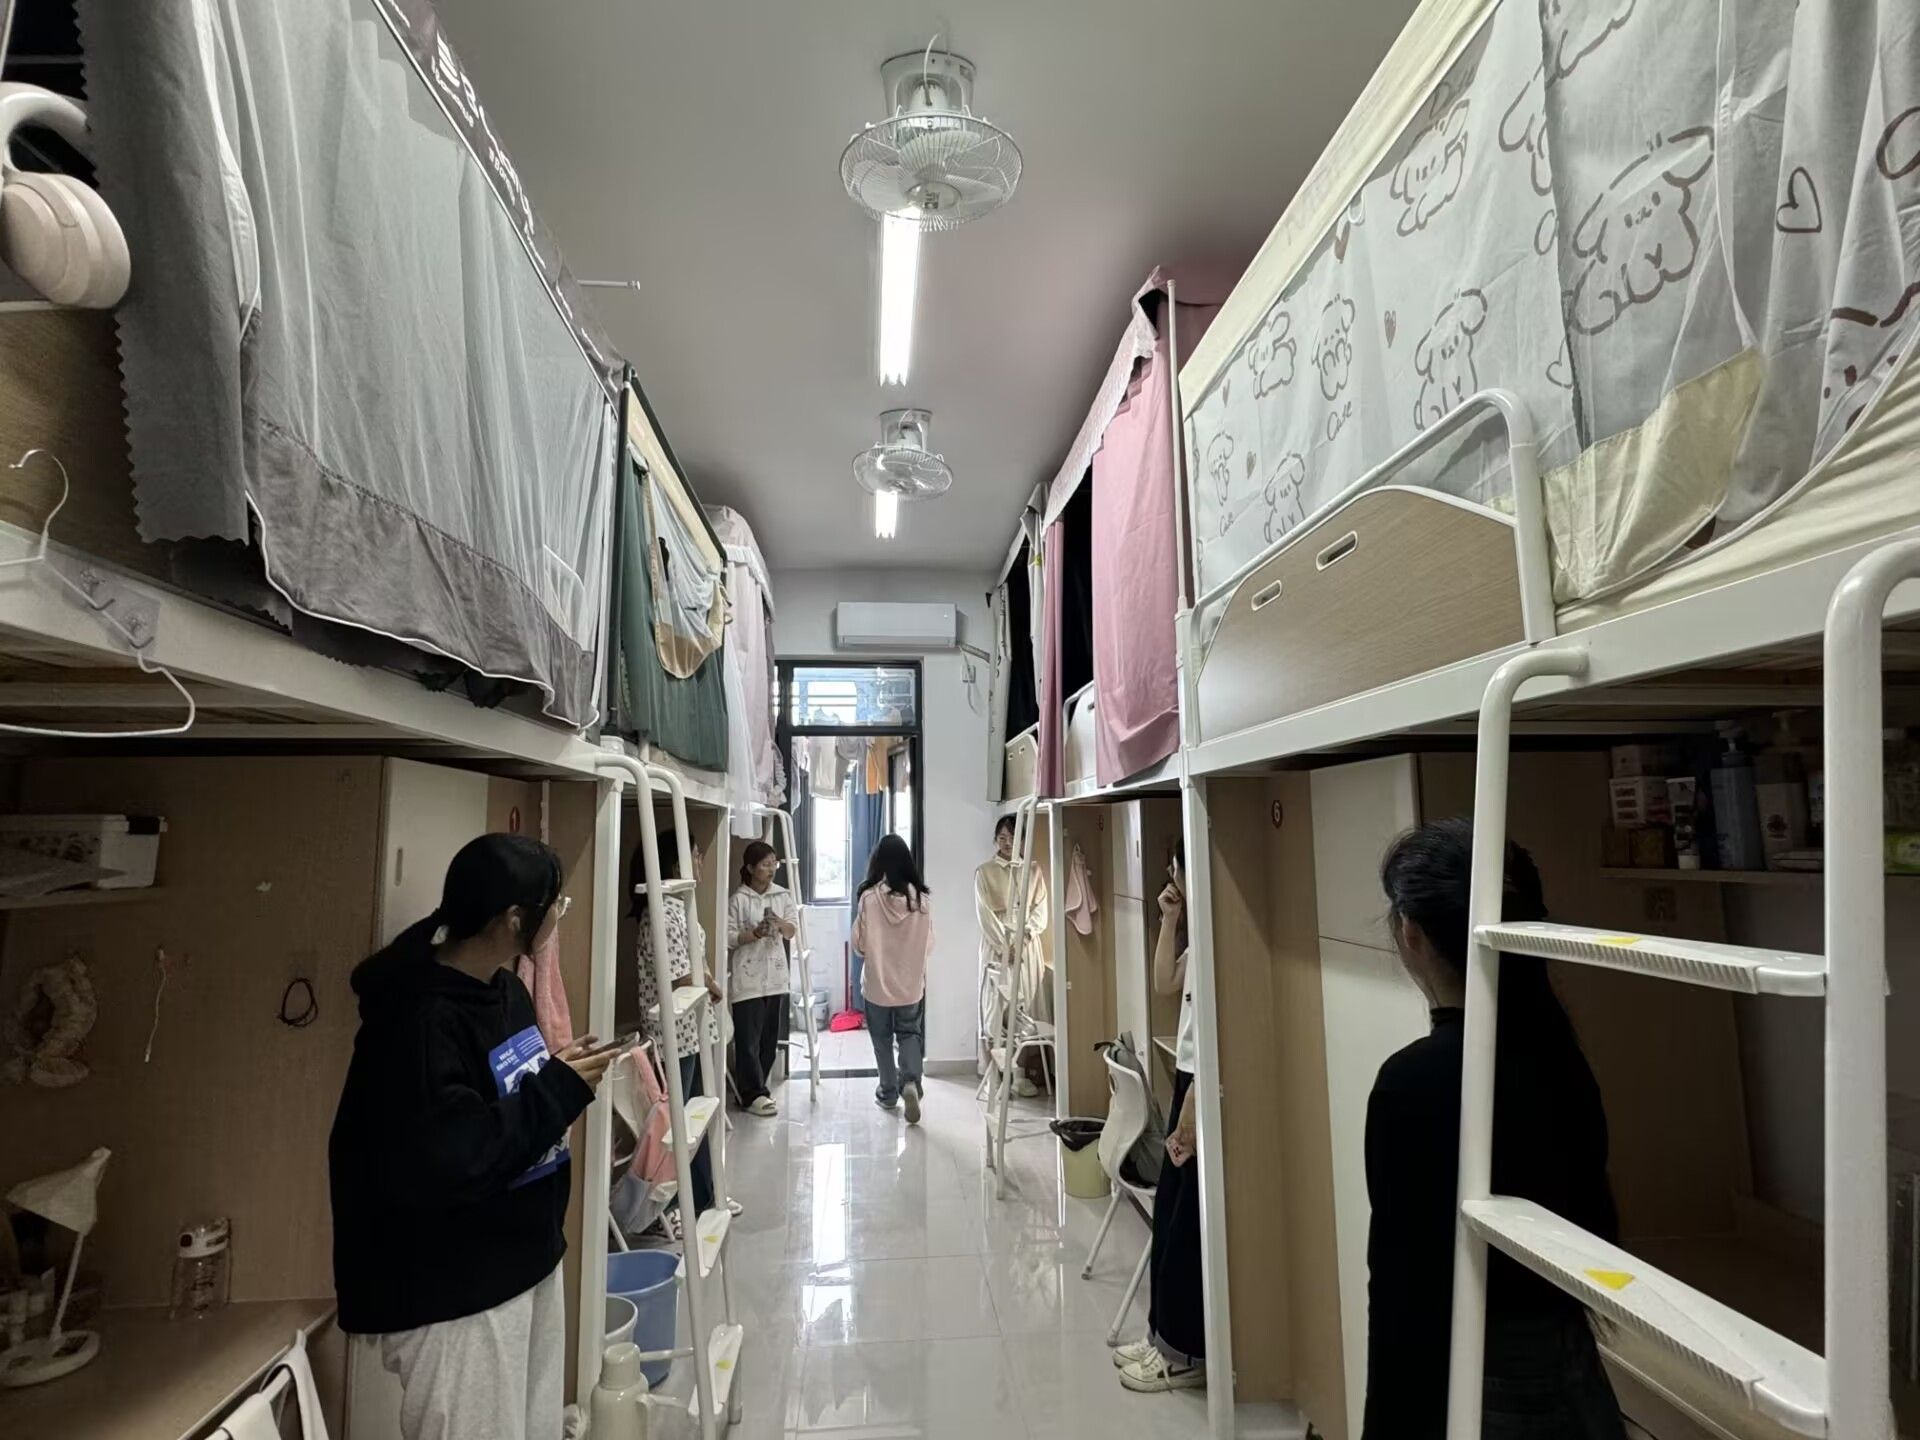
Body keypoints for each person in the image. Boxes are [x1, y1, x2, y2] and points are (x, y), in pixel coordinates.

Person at [330, 834, 613, 1440]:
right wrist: (557, 1090)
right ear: (513, 919)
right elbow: (457, 1155)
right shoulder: (418, 1023)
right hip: (458, 1291)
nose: (560, 916)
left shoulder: (504, 990)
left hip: (525, 1259)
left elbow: (507, 1099)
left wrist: (558, 1075)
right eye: (555, 906)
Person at [1367, 817, 1624, 1439]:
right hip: (1573, 1370)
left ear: (1410, 934)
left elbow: (1405, 1291)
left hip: (1481, 1385)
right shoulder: (1559, 1053)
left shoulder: (1414, 1081)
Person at [1114, 843, 1206, 1393]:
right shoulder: (1200, 934)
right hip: (1189, 1084)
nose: (1171, 877)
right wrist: (1170, 918)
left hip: (1200, 1089)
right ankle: (1162, 1338)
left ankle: (1182, 1352)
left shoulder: (1220, 936)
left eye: (1175, 869)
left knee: (1185, 1222)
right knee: (1171, 1211)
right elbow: (1164, 983)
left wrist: (1191, 1105)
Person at [632, 829, 724, 1217]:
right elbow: (680, 976)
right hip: (675, 1035)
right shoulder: (661, 912)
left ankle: (704, 1198)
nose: (701, 861)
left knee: (697, 1118)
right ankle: (672, 1206)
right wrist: (713, 986)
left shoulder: (679, 906)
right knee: (679, 1122)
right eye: (696, 854)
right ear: (676, 863)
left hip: (692, 1031)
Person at [851, 834, 934, 1122]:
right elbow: (930, 945)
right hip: (910, 985)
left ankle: (887, 1092)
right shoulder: (922, 901)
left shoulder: (869, 898)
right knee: (909, 1034)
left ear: (879, 862)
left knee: (882, 1039)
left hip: (877, 984)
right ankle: (910, 1082)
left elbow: (859, 945)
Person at [974, 813, 1051, 1096]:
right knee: (995, 1008)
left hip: (1027, 949)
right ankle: (996, 1074)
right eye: (1002, 838)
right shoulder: (984, 872)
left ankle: (1021, 1073)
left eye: (1012, 838)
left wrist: (1026, 936)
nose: (1007, 843)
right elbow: (985, 915)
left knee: (1026, 1007)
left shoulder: (1034, 870)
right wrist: (1005, 946)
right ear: (995, 840)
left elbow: (1041, 909)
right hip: (997, 949)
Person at [727, 839, 796, 1117]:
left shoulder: (782, 896)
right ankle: (753, 1093)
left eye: (774, 863)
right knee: (748, 1041)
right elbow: (729, 937)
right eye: (766, 864)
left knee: (769, 1040)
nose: (771, 869)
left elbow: (792, 931)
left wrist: (779, 924)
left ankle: (756, 1090)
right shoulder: (739, 899)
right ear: (750, 868)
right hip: (748, 981)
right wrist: (754, 934)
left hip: (776, 978)